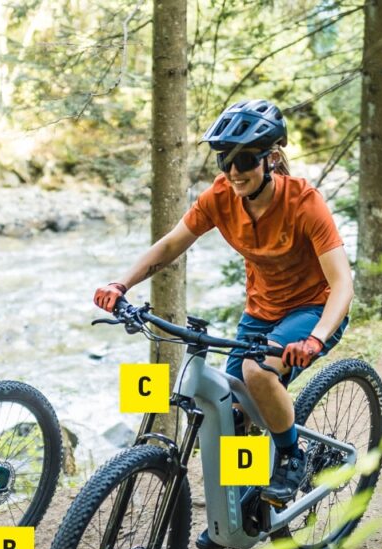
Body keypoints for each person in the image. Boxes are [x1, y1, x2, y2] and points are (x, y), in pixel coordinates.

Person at [93, 98, 353, 515]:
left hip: (312, 310)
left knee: (257, 372)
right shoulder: (221, 197)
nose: (233, 171)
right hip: (260, 311)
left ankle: (291, 456)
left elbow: (342, 283)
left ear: (270, 159)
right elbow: (171, 245)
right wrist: (121, 283)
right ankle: (239, 512)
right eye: (224, 161)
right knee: (229, 412)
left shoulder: (305, 203)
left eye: (245, 159)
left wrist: (316, 338)